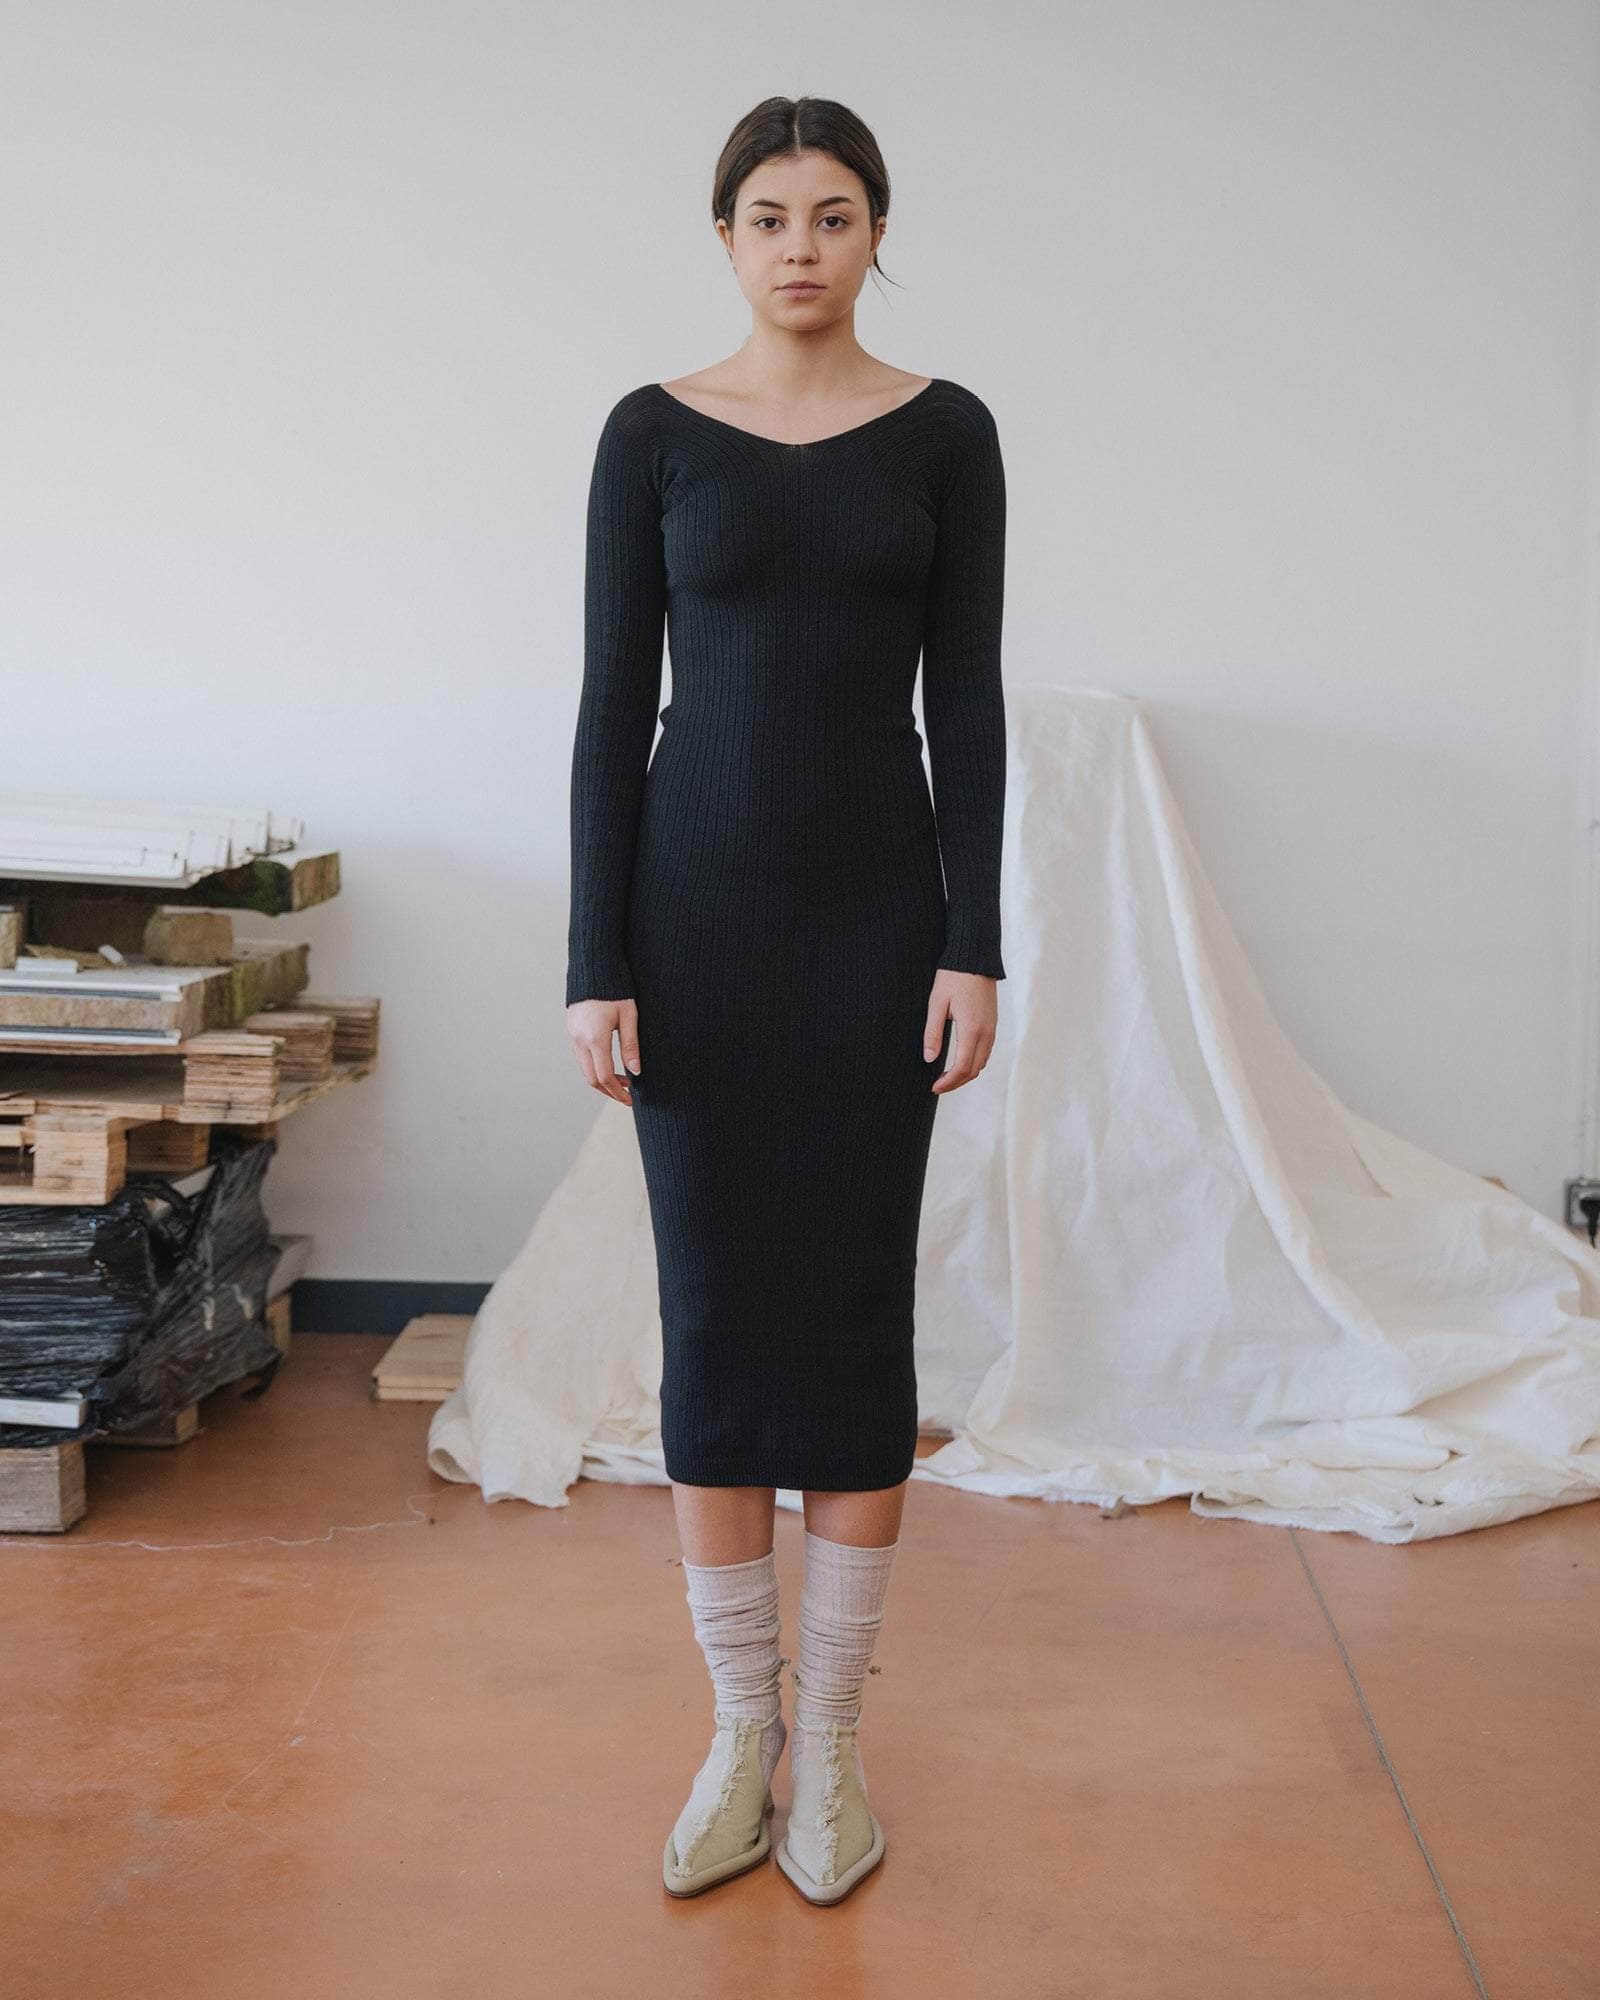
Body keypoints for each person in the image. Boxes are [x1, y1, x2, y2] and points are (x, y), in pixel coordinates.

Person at [565, 94, 1007, 1905]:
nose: (801, 245)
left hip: (874, 933)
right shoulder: (652, 435)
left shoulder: (947, 433)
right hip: (694, 932)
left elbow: (967, 699)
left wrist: (974, 939)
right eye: (769, 215)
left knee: (848, 1323)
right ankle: (736, 1732)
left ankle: (831, 1747)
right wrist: (594, 959)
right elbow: (612, 706)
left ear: (876, 230)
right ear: (726, 237)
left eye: (833, 214)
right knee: (719, 1317)